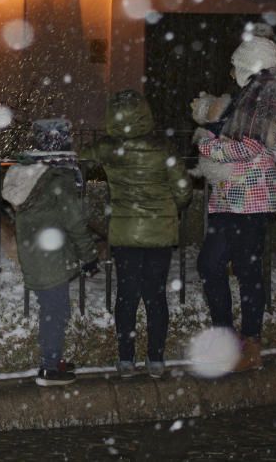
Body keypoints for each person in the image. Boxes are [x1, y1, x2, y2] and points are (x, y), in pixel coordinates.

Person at [195, 23, 276, 372]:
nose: (231, 73)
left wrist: (210, 147)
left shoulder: (267, 95)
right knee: (211, 264)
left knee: (247, 269)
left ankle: (250, 342)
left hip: (250, 198)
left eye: (237, 66)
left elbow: (252, 144)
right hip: (230, 196)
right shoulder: (251, 95)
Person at [82, 90, 192, 378]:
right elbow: (183, 190)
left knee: (127, 295)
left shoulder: (108, 148)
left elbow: (78, 159)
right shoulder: (163, 148)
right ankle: (155, 359)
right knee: (155, 295)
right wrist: (168, 207)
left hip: (125, 232)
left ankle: (126, 359)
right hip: (159, 233)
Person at [2, 118, 99, 387]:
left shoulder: (29, 173)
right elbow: (75, 221)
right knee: (56, 312)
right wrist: (89, 256)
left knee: (52, 308)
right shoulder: (58, 178)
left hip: (34, 251)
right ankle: (49, 367)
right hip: (52, 253)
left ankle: (53, 360)